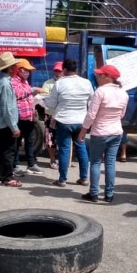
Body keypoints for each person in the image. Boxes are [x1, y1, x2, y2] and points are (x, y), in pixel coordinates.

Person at [78, 64, 129, 203]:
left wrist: (83, 131)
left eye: (101, 75)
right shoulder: (123, 93)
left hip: (100, 132)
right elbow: (122, 114)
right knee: (110, 163)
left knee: (95, 162)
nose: (98, 77)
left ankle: (94, 193)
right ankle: (109, 194)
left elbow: (91, 114)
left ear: (109, 77)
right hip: (116, 131)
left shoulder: (100, 91)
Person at [45, 58, 93, 188]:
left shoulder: (59, 83)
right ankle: (84, 178)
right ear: (76, 69)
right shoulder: (86, 82)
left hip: (64, 121)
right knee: (81, 148)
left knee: (64, 150)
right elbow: (91, 103)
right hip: (81, 121)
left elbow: (51, 104)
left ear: (64, 70)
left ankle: (62, 180)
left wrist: (43, 99)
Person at [0, 52, 22, 187]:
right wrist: (14, 127)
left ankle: (1, 174)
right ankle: (8, 177)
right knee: (9, 151)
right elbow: (7, 108)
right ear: (9, 68)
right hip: (7, 123)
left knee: (2, 149)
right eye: (15, 66)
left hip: (0, 122)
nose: (17, 69)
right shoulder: (5, 84)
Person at [11, 58, 44, 175]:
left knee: (29, 141)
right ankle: (15, 166)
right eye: (26, 70)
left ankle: (31, 164)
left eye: (28, 71)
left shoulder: (25, 81)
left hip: (28, 116)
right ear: (19, 70)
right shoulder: (14, 81)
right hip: (19, 116)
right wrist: (32, 91)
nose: (28, 73)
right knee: (16, 142)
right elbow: (17, 94)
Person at [40, 61, 63, 168]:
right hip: (50, 114)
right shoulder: (48, 83)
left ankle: (63, 160)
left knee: (63, 138)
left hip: (63, 115)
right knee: (50, 138)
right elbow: (44, 97)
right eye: (56, 71)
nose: (58, 73)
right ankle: (52, 159)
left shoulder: (66, 83)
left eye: (60, 71)